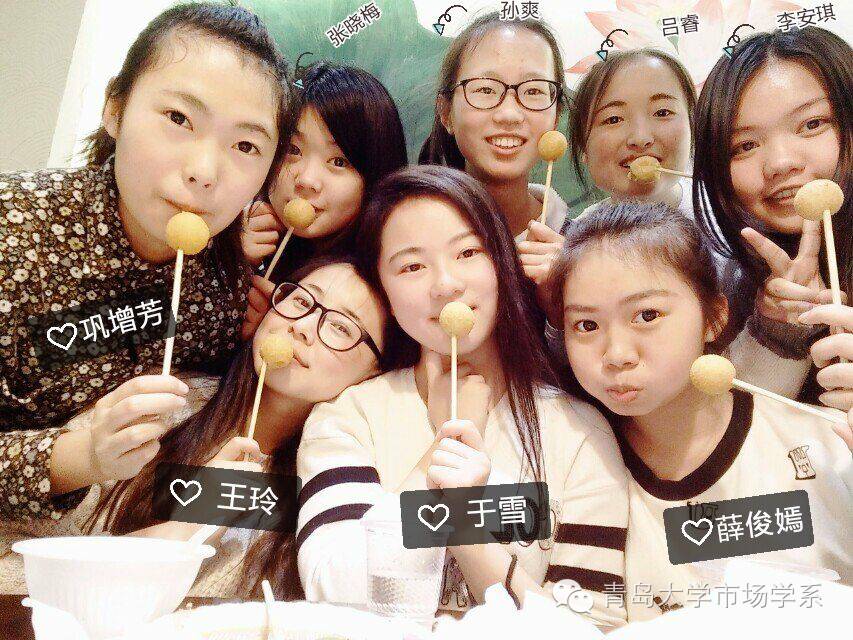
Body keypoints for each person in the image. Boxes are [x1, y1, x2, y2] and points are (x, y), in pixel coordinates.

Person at [296, 166, 629, 628]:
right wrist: (439, 457)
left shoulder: (578, 429)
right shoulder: (348, 417)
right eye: (412, 266)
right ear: (383, 291)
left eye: (469, 252)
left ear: (502, 262)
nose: (447, 284)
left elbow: (594, 622)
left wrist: (463, 519)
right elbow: (334, 592)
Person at [0, 1, 290, 521]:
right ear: (115, 108)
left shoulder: (224, 276)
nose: (204, 171)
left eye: (245, 145)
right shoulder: (15, 229)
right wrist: (79, 456)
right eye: (179, 118)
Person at [0, 255, 390, 601]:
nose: (302, 327)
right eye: (302, 301)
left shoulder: (335, 490)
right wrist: (187, 524)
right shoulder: (165, 402)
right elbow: (19, 562)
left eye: (341, 328)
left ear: (375, 372)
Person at [546, 200, 852, 622]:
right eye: (586, 325)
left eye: (647, 315)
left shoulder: (830, 446)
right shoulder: (577, 473)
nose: (616, 355)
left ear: (715, 318)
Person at [694, 27, 853, 407]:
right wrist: (779, 332)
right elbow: (741, 424)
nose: (780, 163)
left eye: (812, 124)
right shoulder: (737, 289)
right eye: (745, 145)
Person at [241, 62, 408, 339]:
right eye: (293, 149)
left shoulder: (375, 289)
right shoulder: (237, 230)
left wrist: (272, 329)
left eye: (338, 161)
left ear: (376, 176)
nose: (306, 180)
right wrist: (230, 265)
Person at [418, 11, 570, 293]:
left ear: (556, 114)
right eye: (486, 89)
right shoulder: (408, 235)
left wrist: (566, 296)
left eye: (534, 91)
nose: (509, 114)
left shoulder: (582, 246)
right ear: (446, 112)